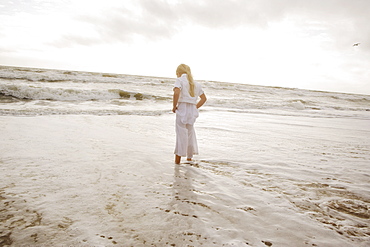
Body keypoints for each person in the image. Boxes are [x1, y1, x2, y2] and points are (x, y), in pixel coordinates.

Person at [172, 64, 207, 164]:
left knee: (180, 135)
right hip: (192, 111)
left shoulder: (180, 80)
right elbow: (204, 98)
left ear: (178, 72)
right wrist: (195, 107)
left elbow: (176, 93)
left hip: (182, 109)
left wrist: (174, 106)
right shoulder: (195, 84)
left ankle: (177, 163)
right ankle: (189, 159)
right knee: (190, 134)